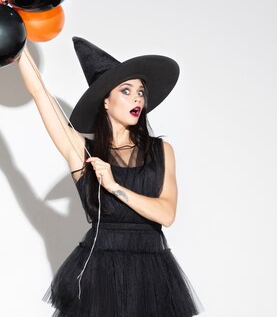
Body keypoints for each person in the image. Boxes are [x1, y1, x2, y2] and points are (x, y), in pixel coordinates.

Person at [17, 36, 204, 317]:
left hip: (152, 275)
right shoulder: (84, 153)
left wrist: (115, 187)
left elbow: (166, 214)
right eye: (126, 91)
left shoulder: (161, 150)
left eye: (140, 91)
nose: (137, 98)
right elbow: (40, 93)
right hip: (99, 273)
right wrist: (16, 42)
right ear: (106, 101)